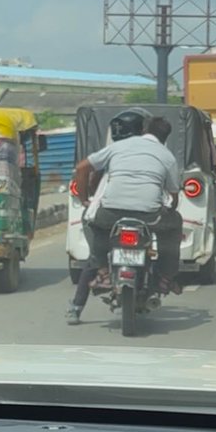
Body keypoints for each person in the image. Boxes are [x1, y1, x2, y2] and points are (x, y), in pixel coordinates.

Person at [75, 112, 183, 303]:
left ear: (144, 130)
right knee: (175, 223)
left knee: (94, 225)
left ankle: (103, 272)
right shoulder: (168, 156)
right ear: (166, 137)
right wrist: (171, 208)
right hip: (149, 216)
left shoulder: (118, 147)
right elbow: (174, 195)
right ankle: (166, 277)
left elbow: (82, 167)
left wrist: (85, 199)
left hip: (111, 213)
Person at [65, 109, 142, 325]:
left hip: (107, 214)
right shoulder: (153, 154)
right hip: (144, 214)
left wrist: (85, 199)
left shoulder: (109, 154)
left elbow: (87, 175)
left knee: (95, 258)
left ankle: (77, 307)